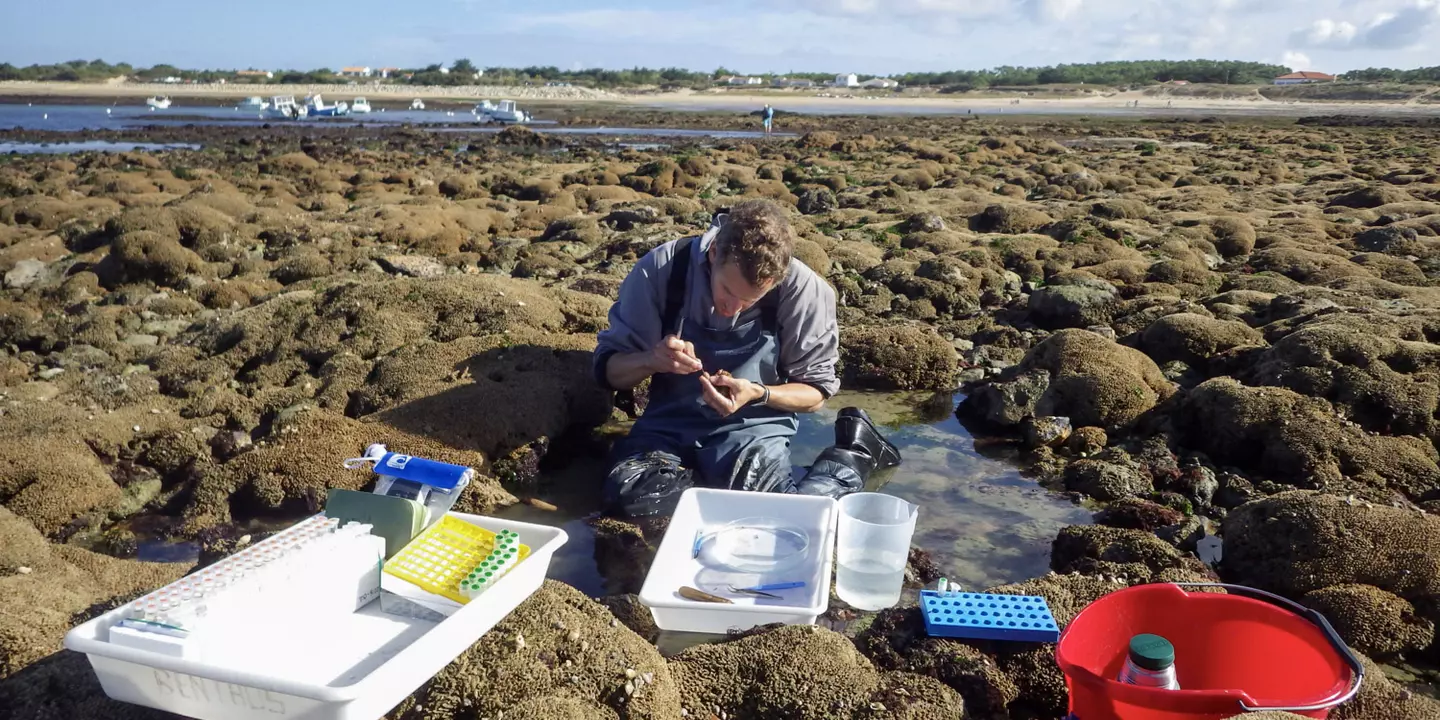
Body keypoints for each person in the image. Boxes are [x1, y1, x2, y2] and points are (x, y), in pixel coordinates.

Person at [593, 200, 901, 518]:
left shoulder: (805, 291)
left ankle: (854, 454)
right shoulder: (662, 268)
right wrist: (651, 359)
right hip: (665, 428)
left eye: (750, 300)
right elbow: (609, 373)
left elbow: (815, 394)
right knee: (631, 503)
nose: (732, 309)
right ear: (714, 254)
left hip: (752, 431)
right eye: (727, 290)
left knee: (776, 517)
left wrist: (759, 392)